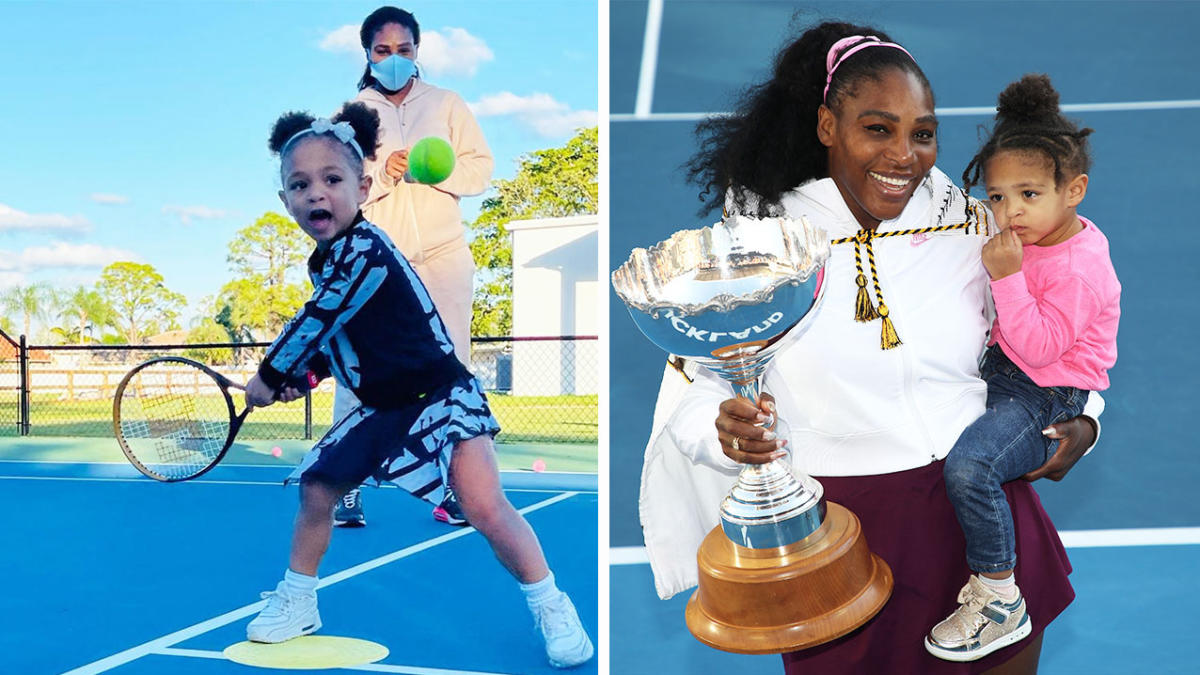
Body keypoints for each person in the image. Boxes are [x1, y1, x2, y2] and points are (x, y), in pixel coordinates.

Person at [639, 23, 1101, 674]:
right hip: (844, 544)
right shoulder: (760, 245)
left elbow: (1058, 325)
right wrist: (728, 431)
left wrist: (1086, 421)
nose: (905, 156)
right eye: (878, 128)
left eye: (922, 133)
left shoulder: (971, 224)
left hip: (983, 531)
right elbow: (697, 390)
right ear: (828, 126)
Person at [242, 104, 593, 669]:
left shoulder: (364, 249)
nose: (316, 195)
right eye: (299, 185)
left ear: (362, 186)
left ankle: (552, 604)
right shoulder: (327, 259)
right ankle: (299, 602)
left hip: (438, 395)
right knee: (317, 489)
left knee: (484, 505)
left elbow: (319, 317)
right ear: (285, 200)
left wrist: (270, 374)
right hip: (382, 405)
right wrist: (305, 377)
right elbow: (346, 342)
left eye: (332, 180)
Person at [924, 74, 1120, 662]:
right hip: (1005, 373)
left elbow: (1038, 349)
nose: (1009, 213)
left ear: (1074, 190)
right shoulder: (1029, 236)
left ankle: (998, 595)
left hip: (1044, 392)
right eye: (998, 196)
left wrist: (1008, 278)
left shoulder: (1077, 268)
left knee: (971, 466)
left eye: (1029, 195)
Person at [333, 6, 493, 529]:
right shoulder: (352, 114)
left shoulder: (447, 103)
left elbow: (480, 170)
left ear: (417, 52)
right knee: (360, 371)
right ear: (368, 55)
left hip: (445, 256)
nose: (395, 60)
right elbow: (338, 188)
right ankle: (346, 486)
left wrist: (435, 168)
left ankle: (457, 491)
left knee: (453, 373)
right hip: (382, 259)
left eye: (404, 50)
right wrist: (382, 172)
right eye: (383, 51)